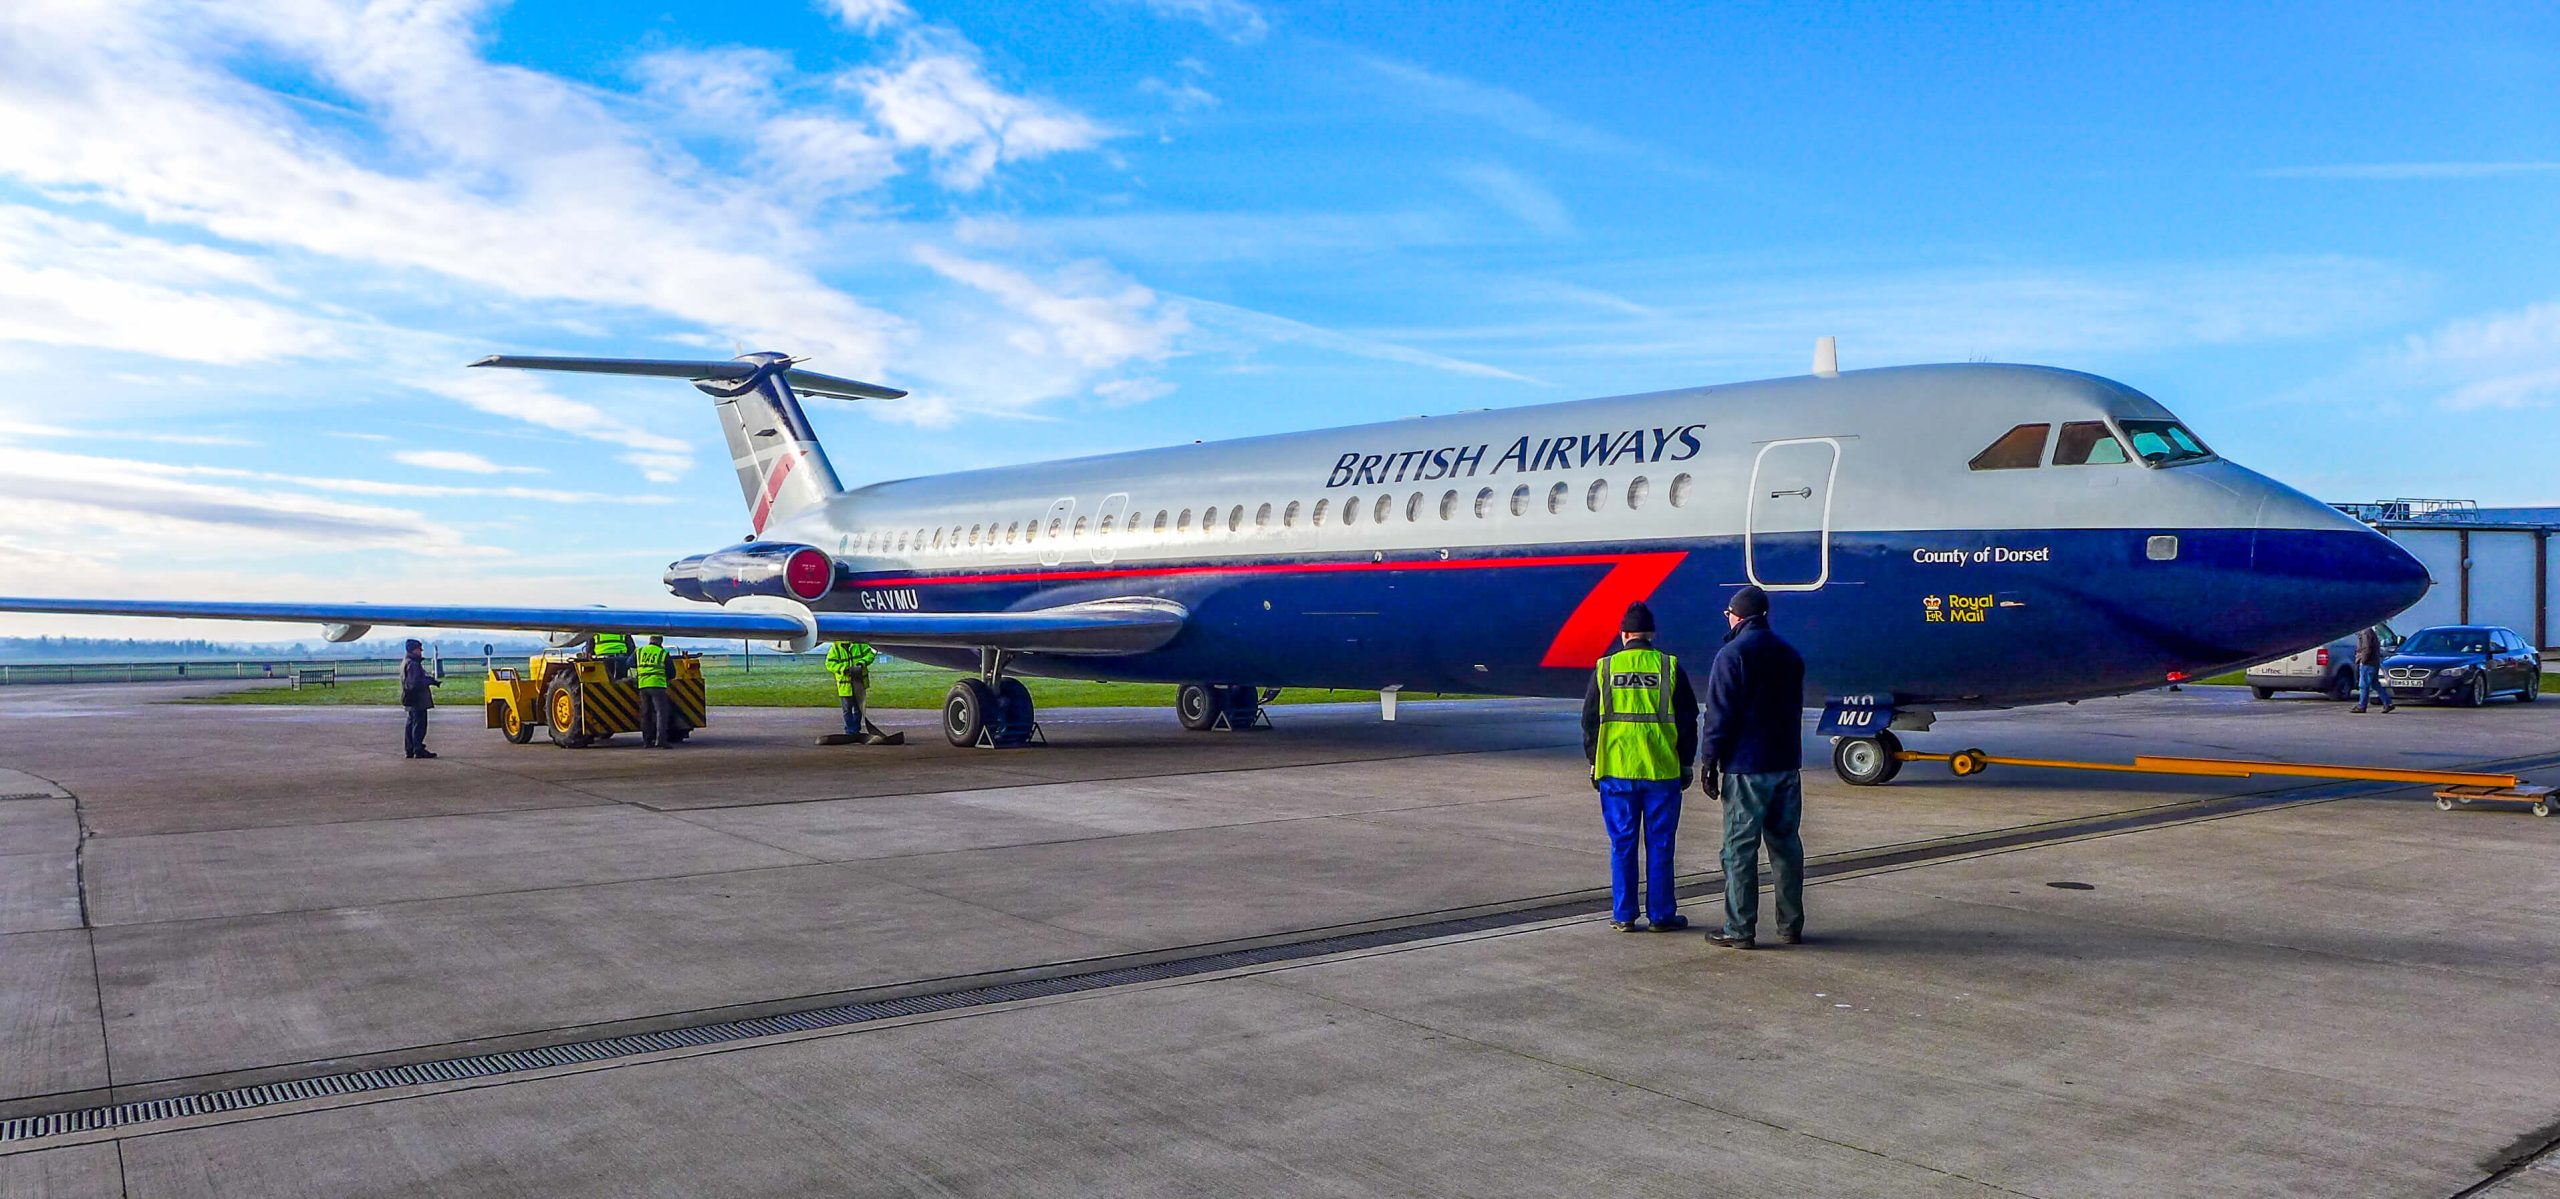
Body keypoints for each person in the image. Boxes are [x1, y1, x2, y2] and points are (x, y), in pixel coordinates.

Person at [1580, 602, 1701, 933]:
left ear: (1624, 636)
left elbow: (1590, 720)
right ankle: (1661, 916)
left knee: (1623, 843)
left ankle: (1624, 914)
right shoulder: (1669, 666)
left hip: (1617, 772)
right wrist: (1686, 762)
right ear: (1651, 636)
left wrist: (1595, 761)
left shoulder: (1604, 668)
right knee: (1661, 844)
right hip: (1662, 772)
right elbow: (1689, 719)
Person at [1703, 585, 1807, 949]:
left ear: (1738, 615)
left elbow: (1720, 714)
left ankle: (1740, 928)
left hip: (1747, 766)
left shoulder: (1732, 654)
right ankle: (1791, 925)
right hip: (1786, 765)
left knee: (1739, 850)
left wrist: (1709, 759)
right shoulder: (1789, 654)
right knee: (1786, 846)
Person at [825, 639, 878, 738]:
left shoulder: (859, 644)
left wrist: (861, 663)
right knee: (847, 710)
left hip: (858, 683)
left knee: (858, 709)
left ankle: (854, 730)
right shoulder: (836, 647)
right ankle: (850, 731)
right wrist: (843, 669)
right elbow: (829, 664)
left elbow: (870, 655)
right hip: (845, 686)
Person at [399, 638, 441, 759]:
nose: (421, 652)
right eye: (419, 649)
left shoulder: (406, 662)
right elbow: (415, 682)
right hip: (417, 699)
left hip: (410, 699)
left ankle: (410, 748)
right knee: (419, 725)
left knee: (411, 724)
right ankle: (418, 749)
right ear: (413, 650)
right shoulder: (413, 664)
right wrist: (430, 681)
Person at [636, 635, 674, 748]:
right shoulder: (662, 653)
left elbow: (629, 663)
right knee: (661, 713)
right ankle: (661, 740)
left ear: (649, 641)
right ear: (661, 642)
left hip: (643, 685)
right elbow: (672, 672)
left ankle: (646, 741)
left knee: (645, 714)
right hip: (658, 685)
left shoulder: (640, 651)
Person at [2351, 626, 2395, 713]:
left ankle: (2362, 705)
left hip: (2368, 663)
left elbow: (2367, 648)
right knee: (2375, 684)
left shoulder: (2365, 632)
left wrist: (2363, 660)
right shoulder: (2369, 631)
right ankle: (2388, 703)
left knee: (2364, 685)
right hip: (2373, 662)